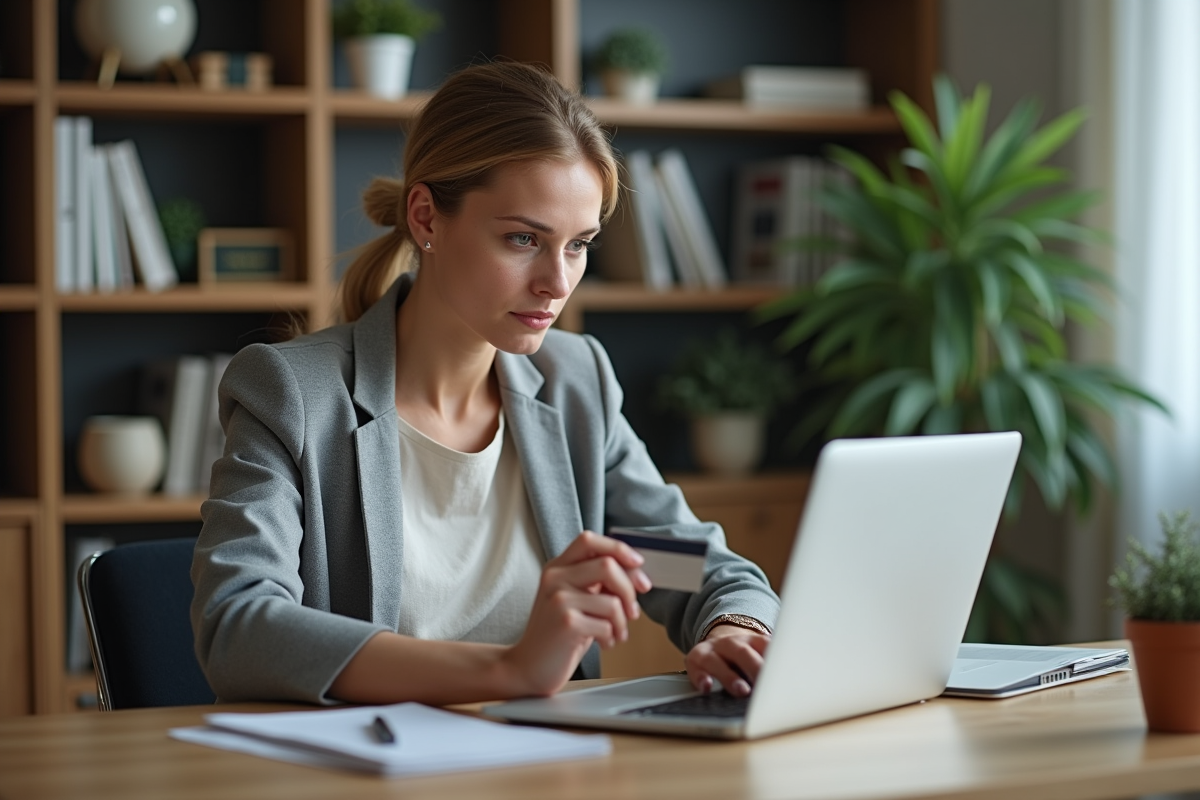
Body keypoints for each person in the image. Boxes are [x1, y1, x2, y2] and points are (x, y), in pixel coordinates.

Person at [191, 61, 780, 707]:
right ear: (426, 218)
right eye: (524, 238)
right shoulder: (294, 394)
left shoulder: (574, 386)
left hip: (550, 756)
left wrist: (736, 630)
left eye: (579, 244)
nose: (557, 282)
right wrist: (509, 671)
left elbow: (683, 565)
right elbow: (238, 627)